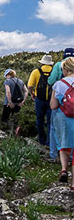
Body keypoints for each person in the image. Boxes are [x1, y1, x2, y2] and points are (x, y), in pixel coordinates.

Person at [49, 57, 74, 186]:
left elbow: (53, 106)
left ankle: (64, 170)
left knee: (64, 145)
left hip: (63, 117)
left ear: (65, 69)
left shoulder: (59, 84)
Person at [28, 54, 54, 146]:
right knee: (50, 121)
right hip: (51, 100)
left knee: (40, 120)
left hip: (39, 99)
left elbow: (30, 86)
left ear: (42, 62)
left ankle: (41, 141)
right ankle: (49, 142)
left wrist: (32, 94)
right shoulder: (54, 71)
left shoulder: (36, 71)